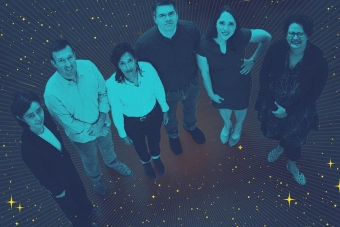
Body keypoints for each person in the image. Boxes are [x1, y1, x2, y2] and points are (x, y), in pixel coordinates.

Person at [44, 39, 132, 196]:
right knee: (89, 159)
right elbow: (68, 122)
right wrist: (95, 129)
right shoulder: (51, 93)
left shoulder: (89, 66)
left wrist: (100, 122)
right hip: (82, 136)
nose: (68, 64)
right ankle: (96, 179)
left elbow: (102, 93)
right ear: (54, 63)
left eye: (70, 57)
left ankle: (112, 163)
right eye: (61, 60)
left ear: (74, 55)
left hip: (102, 123)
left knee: (108, 147)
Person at [255, 14, 328, 185]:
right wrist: (273, 106)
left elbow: (315, 92)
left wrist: (288, 111)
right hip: (274, 103)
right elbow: (263, 76)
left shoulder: (318, 58)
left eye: (300, 34)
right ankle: (281, 146)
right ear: (286, 34)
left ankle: (291, 165)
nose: (295, 38)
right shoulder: (276, 48)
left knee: (294, 140)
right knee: (278, 131)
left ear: (307, 34)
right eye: (291, 33)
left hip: (299, 108)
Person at [11, 91, 100, 227]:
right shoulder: (27, 148)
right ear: (21, 118)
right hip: (57, 180)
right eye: (30, 115)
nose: (38, 118)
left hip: (67, 165)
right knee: (70, 205)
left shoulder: (45, 117)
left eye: (38, 110)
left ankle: (87, 208)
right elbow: (41, 175)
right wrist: (58, 191)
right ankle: (83, 223)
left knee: (79, 190)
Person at [134, 0, 205, 155]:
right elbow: (142, 73)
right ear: (155, 18)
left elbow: (200, 55)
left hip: (191, 85)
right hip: (166, 92)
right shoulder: (144, 45)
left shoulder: (191, 29)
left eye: (171, 13)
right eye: (162, 15)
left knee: (190, 108)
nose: (168, 18)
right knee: (169, 116)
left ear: (176, 14)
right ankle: (173, 135)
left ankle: (190, 126)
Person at [196, 5, 272, 147]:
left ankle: (238, 126)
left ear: (236, 25)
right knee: (224, 107)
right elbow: (204, 72)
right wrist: (211, 94)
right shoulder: (203, 44)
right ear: (215, 23)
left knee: (240, 107)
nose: (226, 28)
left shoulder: (241, 35)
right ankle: (227, 125)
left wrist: (253, 60)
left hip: (240, 83)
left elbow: (266, 37)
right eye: (222, 23)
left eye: (230, 24)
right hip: (219, 84)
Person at [106, 42, 169, 181]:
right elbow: (115, 110)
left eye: (130, 61)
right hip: (132, 123)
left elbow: (158, 88)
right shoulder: (112, 84)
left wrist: (165, 109)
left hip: (153, 115)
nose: (128, 67)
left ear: (135, 59)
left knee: (155, 140)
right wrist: (122, 133)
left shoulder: (148, 68)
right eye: (122, 63)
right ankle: (146, 163)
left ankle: (156, 158)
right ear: (117, 65)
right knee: (139, 146)